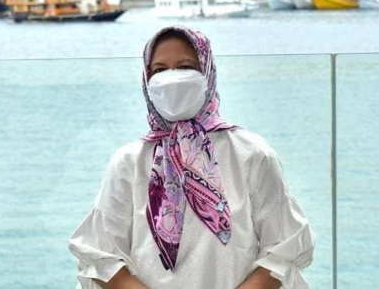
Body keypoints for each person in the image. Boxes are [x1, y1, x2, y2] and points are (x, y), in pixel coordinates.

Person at [69, 25, 314, 289]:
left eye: (186, 66)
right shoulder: (128, 162)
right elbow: (100, 255)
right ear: (146, 79)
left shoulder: (251, 154)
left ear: (207, 72)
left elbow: (284, 247)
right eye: (160, 70)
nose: (172, 78)